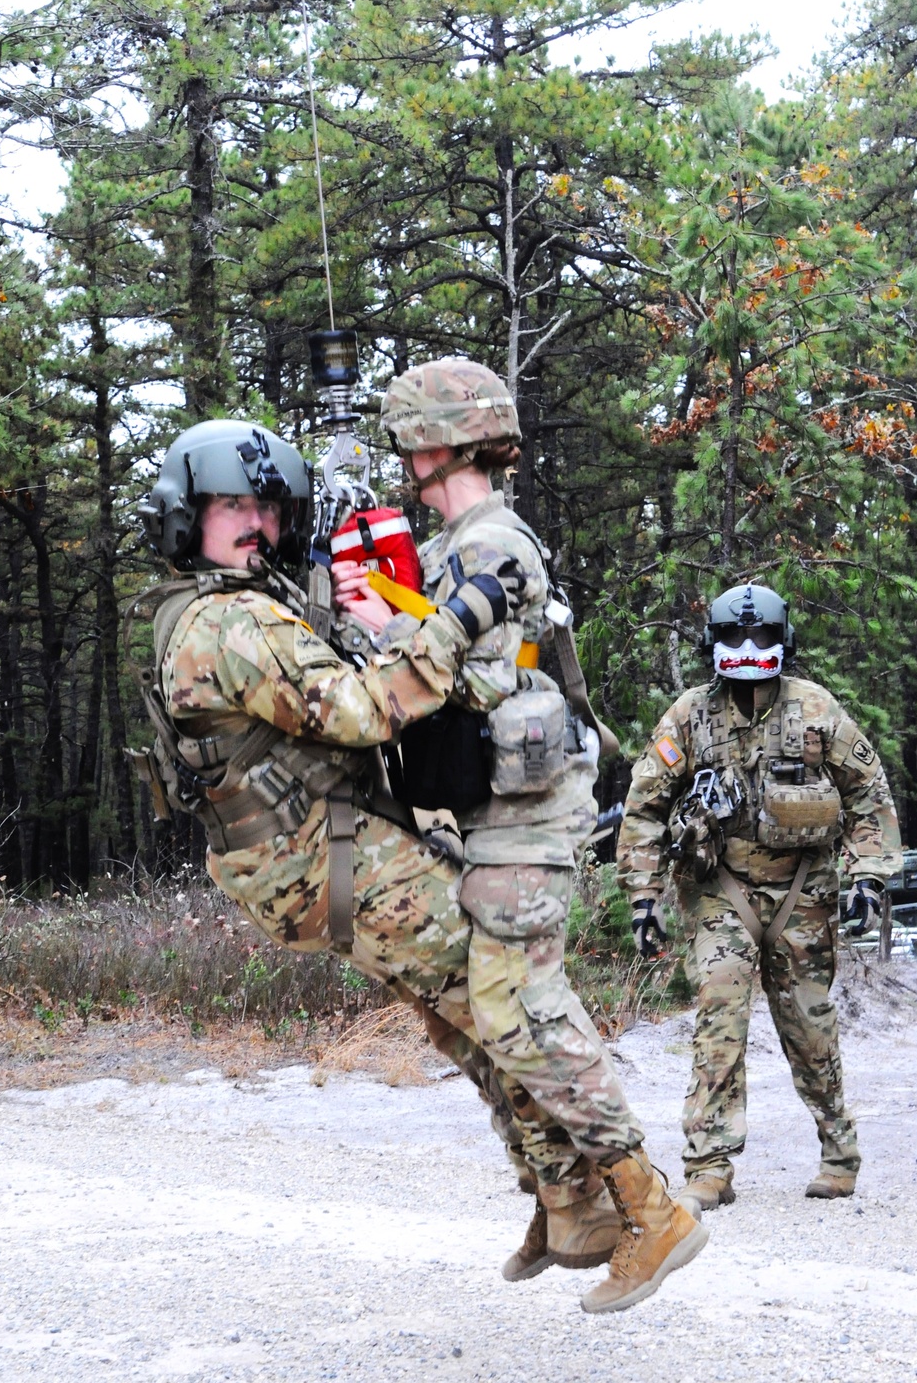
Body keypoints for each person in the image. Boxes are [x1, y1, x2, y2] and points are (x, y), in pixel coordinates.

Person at [129, 416, 705, 1313]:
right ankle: (640, 1201)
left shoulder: (204, 612)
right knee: (504, 999)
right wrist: (465, 614)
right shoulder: (230, 622)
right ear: (183, 515)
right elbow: (363, 709)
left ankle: (569, 1204)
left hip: (302, 869)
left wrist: (374, 605)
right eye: (230, 506)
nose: (254, 523)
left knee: (460, 1017)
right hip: (338, 855)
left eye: (265, 507)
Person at [333, 361, 707, 1313]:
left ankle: (648, 1207)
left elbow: (483, 682)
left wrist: (387, 631)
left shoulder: (495, 544)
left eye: (412, 439)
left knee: (523, 1009)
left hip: (527, 817)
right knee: (493, 1007)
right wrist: (389, 615)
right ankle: (574, 1207)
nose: (403, 458)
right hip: (493, 813)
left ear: (445, 442)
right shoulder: (458, 542)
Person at [616, 582, 902, 1214]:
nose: (749, 648)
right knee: (720, 1011)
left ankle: (838, 1152)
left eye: (762, 636)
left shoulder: (816, 711)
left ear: (783, 640)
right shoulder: (691, 715)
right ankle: (709, 1165)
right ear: (712, 642)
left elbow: (868, 795)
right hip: (721, 891)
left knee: (808, 1023)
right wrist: (643, 897)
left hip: (803, 890)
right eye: (736, 636)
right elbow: (644, 810)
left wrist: (869, 878)